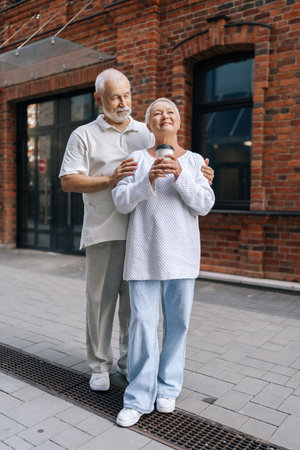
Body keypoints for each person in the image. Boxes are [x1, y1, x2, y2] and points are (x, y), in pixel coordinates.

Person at [59, 69, 214, 392]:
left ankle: (130, 362)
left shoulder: (145, 131)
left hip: (144, 234)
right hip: (105, 229)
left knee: (136, 309)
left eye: (127, 95)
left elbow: (172, 154)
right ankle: (100, 365)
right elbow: (68, 180)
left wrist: (201, 173)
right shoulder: (83, 135)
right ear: (98, 99)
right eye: (115, 96)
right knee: (101, 303)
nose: (122, 102)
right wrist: (110, 180)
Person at [112, 98, 215, 427]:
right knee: (141, 325)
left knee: (178, 325)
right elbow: (122, 202)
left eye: (170, 112)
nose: (164, 116)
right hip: (143, 256)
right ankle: (138, 397)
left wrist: (183, 174)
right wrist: (148, 181)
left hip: (182, 257)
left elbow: (204, 204)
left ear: (178, 122)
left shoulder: (197, 161)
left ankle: (168, 388)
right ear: (151, 126)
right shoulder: (137, 158)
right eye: (157, 113)